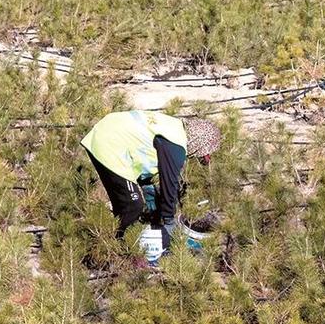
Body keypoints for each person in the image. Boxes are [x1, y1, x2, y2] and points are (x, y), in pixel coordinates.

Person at [81, 110, 221, 263]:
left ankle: (118, 244)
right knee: (132, 206)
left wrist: (147, 188)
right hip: (109, 142)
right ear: (200, 142)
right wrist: (169, 220)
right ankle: (119, 252)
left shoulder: (174, 128)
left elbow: (143, 152)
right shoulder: (176, 145)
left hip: (108, 130)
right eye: (205, 152)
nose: (202, 157)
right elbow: (169, 184)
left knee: (127, 203)